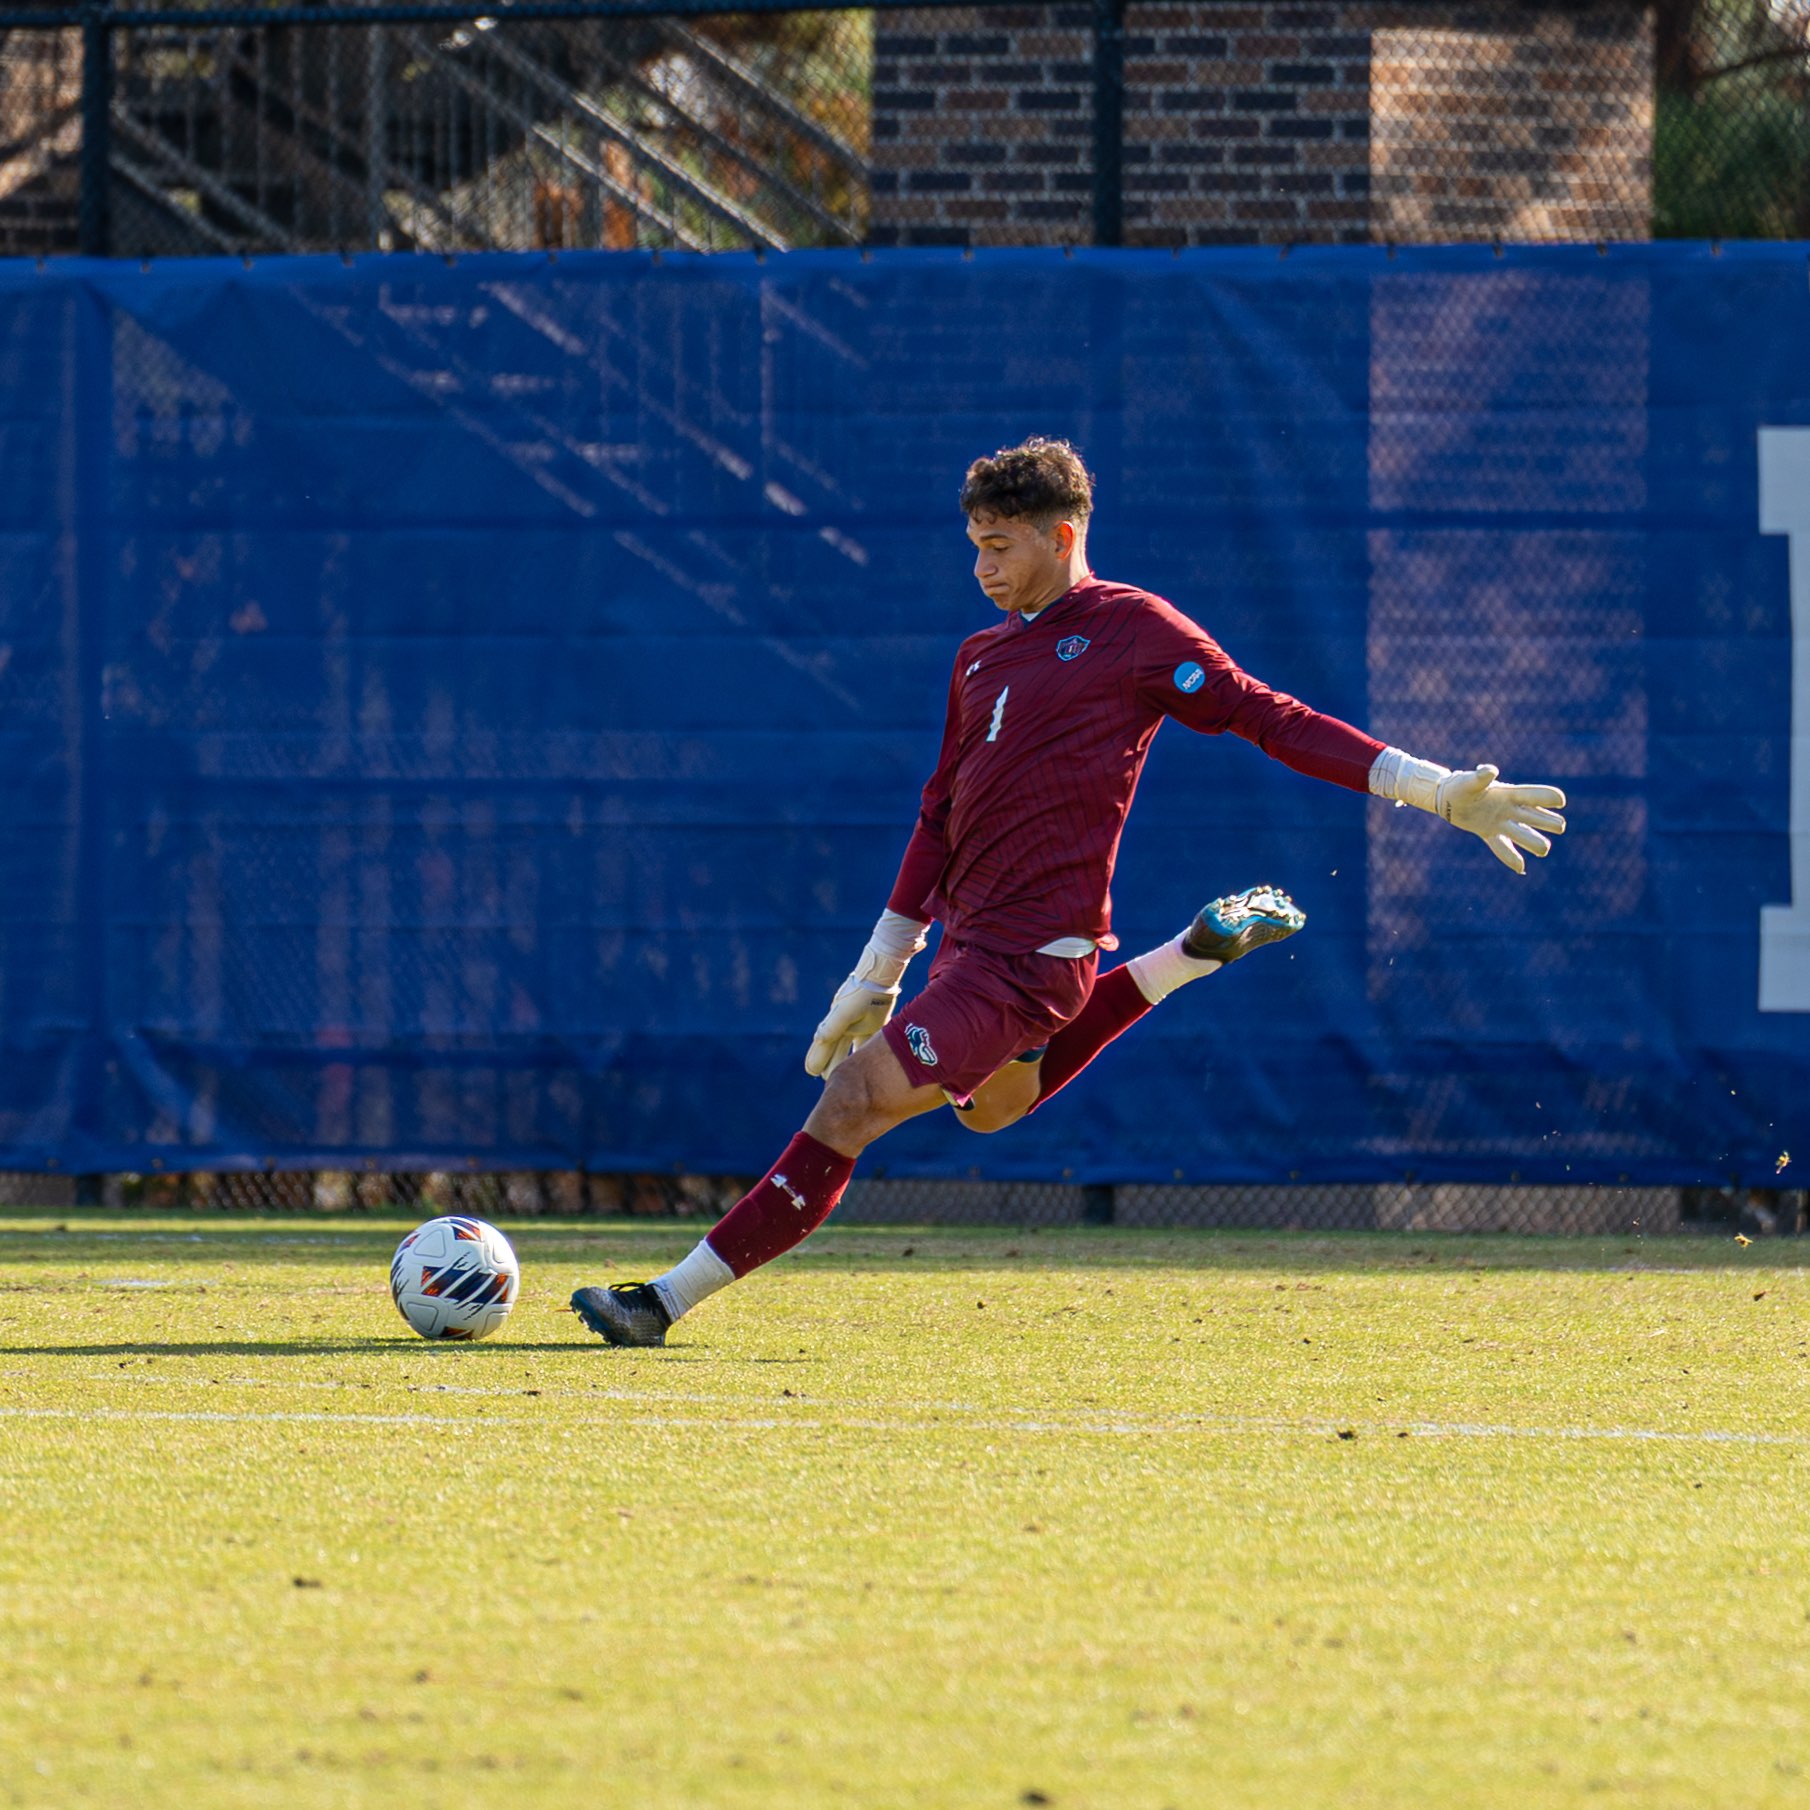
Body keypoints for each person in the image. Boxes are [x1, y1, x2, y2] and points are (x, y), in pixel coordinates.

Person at [571, 438, 1566, 1347]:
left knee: (851, 1100)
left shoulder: (1132, 630)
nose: (983, 567)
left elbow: (1270, 716)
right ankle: (1187, 955)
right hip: (972, 945)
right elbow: (936, 816)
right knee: (992, 1111)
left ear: (1062, 535)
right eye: (973, 545)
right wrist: (879, 967)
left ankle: (660, 1300)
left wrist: (1433, 789)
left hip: (1030, 959)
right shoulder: (979, 655)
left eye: (1000, 545)